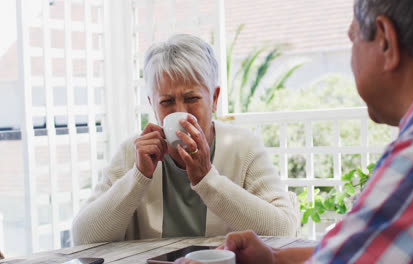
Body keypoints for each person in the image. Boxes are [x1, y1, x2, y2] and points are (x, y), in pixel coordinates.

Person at [175, 0, 413, 263]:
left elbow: (288, 228)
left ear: (386, 42)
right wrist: (275, 258)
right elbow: (361, 249)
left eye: (352, 39)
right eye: (166, 101)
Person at [71, 34, 298, 245]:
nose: (180, 112)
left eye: (192, 98)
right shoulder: (134, 153)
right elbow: (83, 237)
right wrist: (139, 177)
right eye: (166, 101)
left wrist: (207, 180)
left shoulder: (242, 147)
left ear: (215, 98)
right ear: (152, 104)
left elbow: (284, 231)